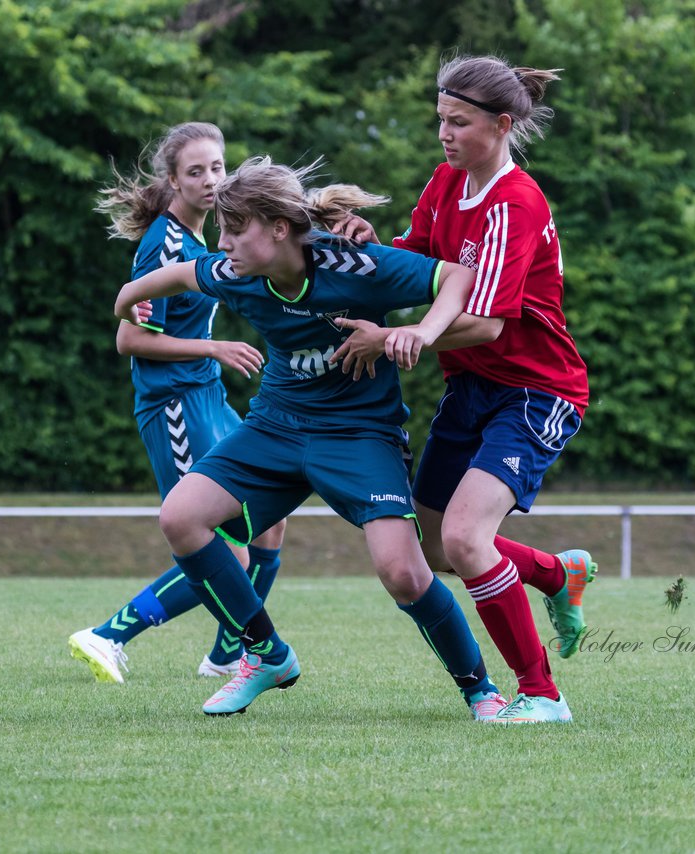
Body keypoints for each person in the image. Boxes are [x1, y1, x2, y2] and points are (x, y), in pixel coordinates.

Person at [114, 155, 519, 723]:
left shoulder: (355, 265)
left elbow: (458, 275)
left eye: (234, 230)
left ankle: (481, 691)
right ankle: (267, 654)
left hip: (359, 434)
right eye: (222, 231)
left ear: (279, 229)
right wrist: (126, 301)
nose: (222, 243)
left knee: (403, 573)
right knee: (180, 517)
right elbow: (173, 277)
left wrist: (418, 331)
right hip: (276, 427)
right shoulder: (236, 273)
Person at [332, 55, 596, 724]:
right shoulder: (447, 182)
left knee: (467, 538)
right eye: (440, 120)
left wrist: (400, 337)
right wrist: (368, 245)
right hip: (473, 387)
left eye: (459, 122)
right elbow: (415, 261)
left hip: (536, 391)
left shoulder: (516, 201)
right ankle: (553, 574)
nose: (444, 134)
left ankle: (542, 696)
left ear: (502, 124)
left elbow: (484, 322)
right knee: (435, 545)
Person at [70, 122, 287, 683]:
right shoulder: (164, 244)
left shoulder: (206, 234)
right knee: (221, 549)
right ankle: (108, 635)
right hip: (174, 407)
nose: (212, 179)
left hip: (207, 397)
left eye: (217, 167)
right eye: (197, 171)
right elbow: (129, 338)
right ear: (173, 181)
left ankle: (229, 653)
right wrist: (213, 347)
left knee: (267, 522)